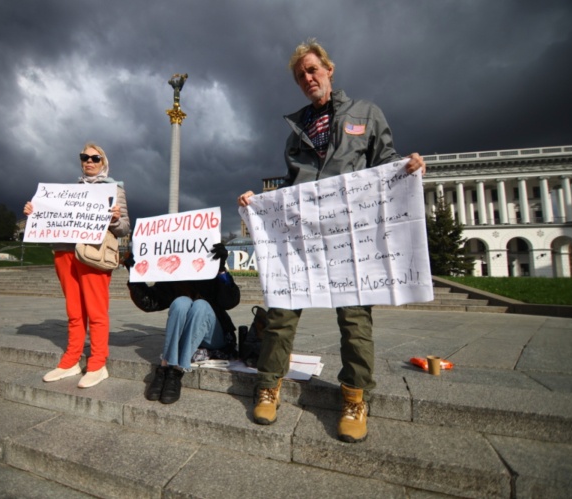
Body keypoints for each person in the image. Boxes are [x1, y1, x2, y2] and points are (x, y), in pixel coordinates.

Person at [237, 39, 426, 442]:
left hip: (350, 240)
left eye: (312, 70)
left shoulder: (366, 114)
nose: (307, 79)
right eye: (300, 75)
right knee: (281, 313)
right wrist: (259, 203)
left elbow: (385, 165)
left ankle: (355, 398)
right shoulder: (297, 130)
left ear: (329, 69)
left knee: (355, 320)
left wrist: (408, 168)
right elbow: (290, 188)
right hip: (305, 239)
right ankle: (268, 386)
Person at [23, 143, 130, 389]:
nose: (89, 161)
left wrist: (114, 219)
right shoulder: (67, 190)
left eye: (95, 158)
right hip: (64, 252)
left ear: (104, 162)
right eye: (85, 157)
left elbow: (124, 228)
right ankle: (71, 360)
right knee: (74, 310)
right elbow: (50, 217)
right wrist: (34, 212)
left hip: (93, 253)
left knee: (96, 310)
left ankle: (97, 364)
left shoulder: (114, 189)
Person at [124, 244, 240, 404]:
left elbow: (230, 301)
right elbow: (149, 302)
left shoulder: (210, 270)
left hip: (214, 336)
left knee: (200, 305)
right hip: (186, 335)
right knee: (180, 302)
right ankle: (166, 367)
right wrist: (134, 276)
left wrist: (220, 270)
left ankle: (178, 369)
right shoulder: (174, 275)